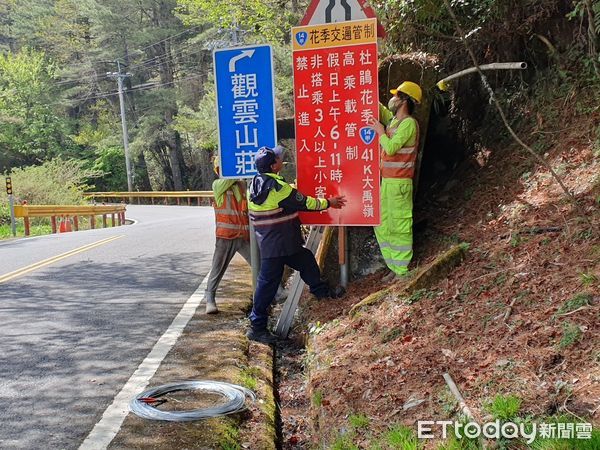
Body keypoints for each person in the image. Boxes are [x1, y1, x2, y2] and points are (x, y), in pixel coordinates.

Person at [247, 145, 347, 344]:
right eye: (277, 159)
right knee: (267, 285)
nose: (280, 160)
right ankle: (257, 328)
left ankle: (321, 292)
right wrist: (329, 202)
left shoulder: (255, 183)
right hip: (278, 245)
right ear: (273, 165)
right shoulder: (277, 188)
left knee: (306, 260)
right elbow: (305, 203)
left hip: (276, 242)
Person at [366, 81, 422, 278]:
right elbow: (380, 109)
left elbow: (390, 148)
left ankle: (402, 270)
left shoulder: (409, 123)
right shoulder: (393, 122)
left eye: (396, 96)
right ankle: (393, 266)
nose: (393, 99)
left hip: (400, 184)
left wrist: (380, 132)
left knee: (399, 225)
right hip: (387, 182)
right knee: (382, 223)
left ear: (404, 100)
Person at [204, 156, 251, 314]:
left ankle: (277, 292)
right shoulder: (218, 185)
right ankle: (209, 297)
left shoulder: (242, 185)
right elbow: (230, 178)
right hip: (226, 236)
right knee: (217, 269)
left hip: (243, 236)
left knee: (261, 265)